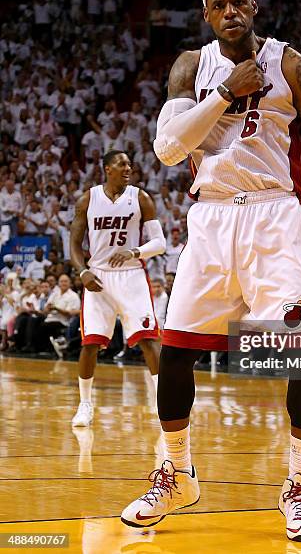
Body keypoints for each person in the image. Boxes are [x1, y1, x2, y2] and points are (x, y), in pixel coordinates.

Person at [121, 0, 301, 543]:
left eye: (238, 2)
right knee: (175, 355)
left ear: (254, 7)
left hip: (277, 217)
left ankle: (299, 486)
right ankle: (176, 473)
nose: (229, 11)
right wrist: (224, 94)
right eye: (218, 4)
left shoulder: (294, 68)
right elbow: (170, 149)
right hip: (212, 218)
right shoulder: (189, 67)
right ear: (207, 15)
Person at [69, 150, 166, 427]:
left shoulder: (141, 198)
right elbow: (75, 244)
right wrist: (82, 271)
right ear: (107, 168)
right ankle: (85, 405)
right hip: (98, 277)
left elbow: (160, 243)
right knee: (90, 344)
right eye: (121, 163)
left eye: (129, 164)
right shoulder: (88, 199)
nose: (128, 167)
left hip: (131, 275)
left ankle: (164, 403)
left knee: (149, 339)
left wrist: (134, 252)